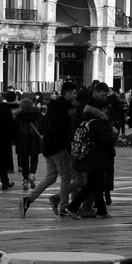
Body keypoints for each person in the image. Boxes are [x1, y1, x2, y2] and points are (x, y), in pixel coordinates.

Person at [23, 81, 78, 217]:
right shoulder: (61, 108)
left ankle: (28, 199)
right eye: (74, 93)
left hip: (48, 146)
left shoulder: (54, 106)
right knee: (66, 176)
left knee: (51, 177)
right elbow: (58, 128)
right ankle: (63, 206)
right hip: (57, 146)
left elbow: (46, 125)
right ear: (68, 93)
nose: (75, 96)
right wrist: (66, 145)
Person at [65, 98, 115, 218]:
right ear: (102, 109)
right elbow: (107, 141)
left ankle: (102, 210)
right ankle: (72, 207)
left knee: (97, 183)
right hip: (96, 157)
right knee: (92, 184)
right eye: (106, 108)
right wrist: (113, 133)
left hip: (90, 157)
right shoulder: (98, 123)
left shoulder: (87, 120)